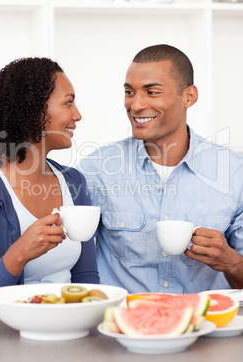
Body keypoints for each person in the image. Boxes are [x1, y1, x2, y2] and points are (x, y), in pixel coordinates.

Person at [79, 44, 243, 294]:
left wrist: (232, 262)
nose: (135, 105)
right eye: (129, 92)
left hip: (207, 325)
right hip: (122, 325)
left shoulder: (234, 173)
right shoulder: (97, 169)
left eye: (152, 92)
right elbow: (68, 260)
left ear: (189, 96)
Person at [0, 57, 99, 313]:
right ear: (34, 111)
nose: (77, 114)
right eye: (68, 103)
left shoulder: (74, 182)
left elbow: (86, 279)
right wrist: (19, 253)